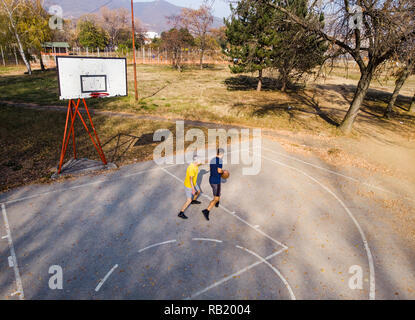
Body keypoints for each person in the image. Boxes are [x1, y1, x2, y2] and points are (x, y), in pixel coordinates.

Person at [202, 148, 224, 221]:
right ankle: (207, 210)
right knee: (216, 197)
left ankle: (217, 202)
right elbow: (219, 170)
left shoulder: (212, 159)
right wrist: (224, 173)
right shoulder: (220, 161)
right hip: (216, 181)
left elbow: (211, 168)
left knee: (217, 193)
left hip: (211, 179)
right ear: (221, 154)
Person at [178, 155, 202, 219]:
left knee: (199, 191)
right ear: (196, 161)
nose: (201, 161)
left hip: (194, 182)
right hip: (189, 185)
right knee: (188, 200)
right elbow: (190, 179)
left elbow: (200, 164)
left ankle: (193, 201)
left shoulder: (195, 164)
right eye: (200, 160)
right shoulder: (191, 168)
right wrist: (193, 189)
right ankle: (181, 213)